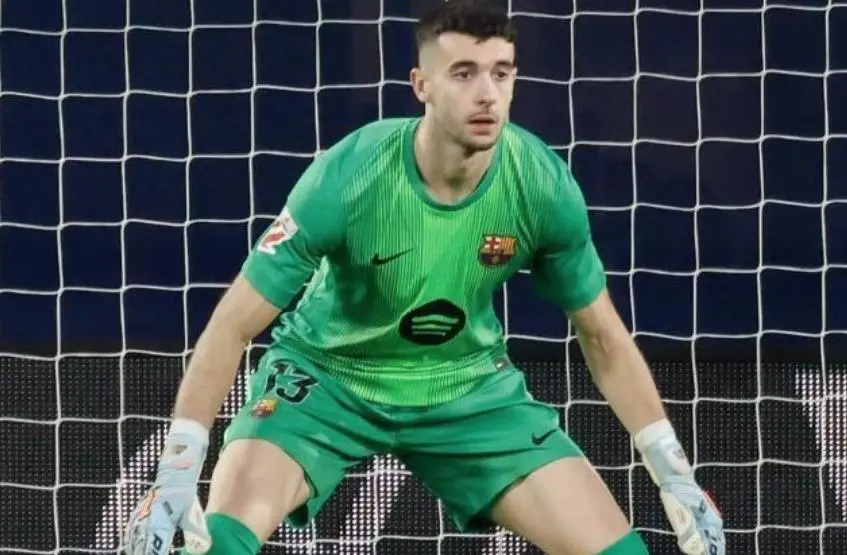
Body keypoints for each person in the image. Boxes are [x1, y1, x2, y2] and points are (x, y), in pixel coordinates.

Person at [123, 1, 725, 554]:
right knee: (220, 543)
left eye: (501, 73)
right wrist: (178, 467)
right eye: (464, 74)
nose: (486, 93)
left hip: (467, 389)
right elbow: (232, 325)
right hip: (327, 378)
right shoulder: (349, 176)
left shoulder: (541, 184)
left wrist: (671, 469)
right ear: (422, 85)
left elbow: (603, 336)